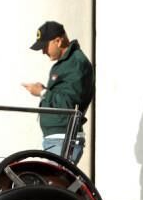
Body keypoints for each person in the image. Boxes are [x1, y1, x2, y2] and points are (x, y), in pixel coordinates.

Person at [22, 20, 93, 164]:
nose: (43, 52)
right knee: (53, 184)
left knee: (53, 184)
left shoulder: (76, 63)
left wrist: (42, 92)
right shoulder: (68, 63)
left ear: (58, 41)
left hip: (63, 138)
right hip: (58, 138)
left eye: (44, 46)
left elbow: (70, 104)